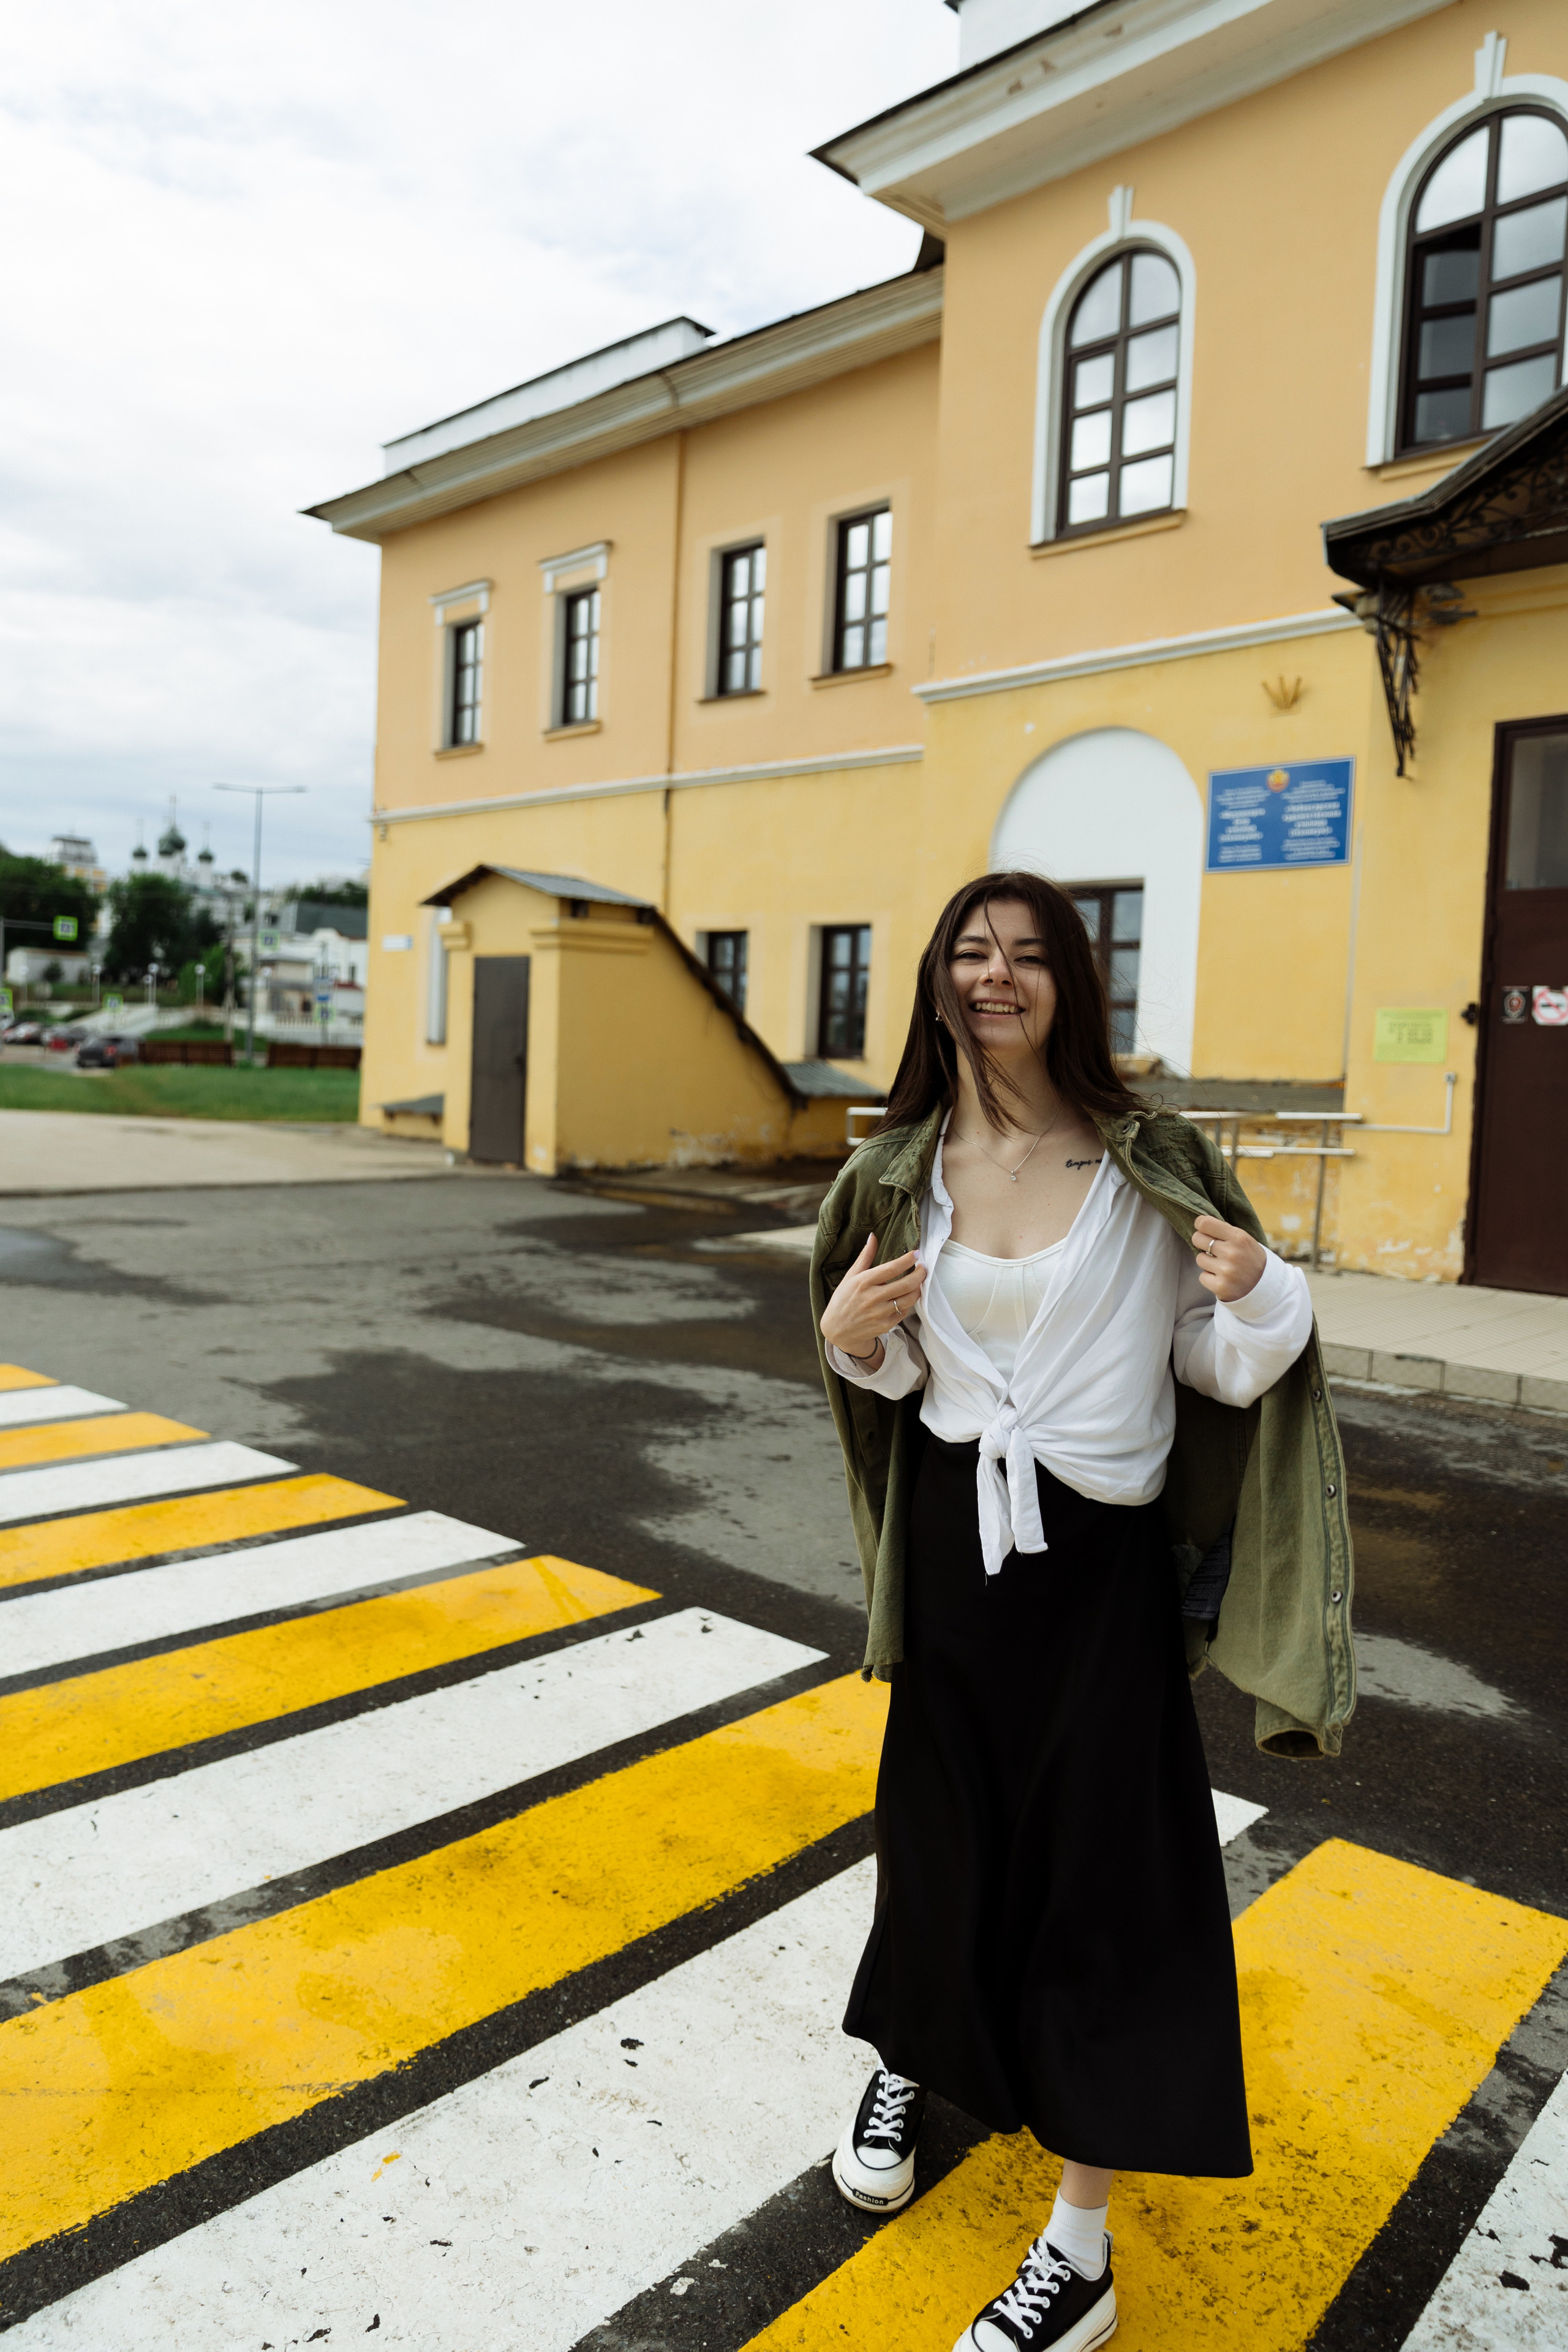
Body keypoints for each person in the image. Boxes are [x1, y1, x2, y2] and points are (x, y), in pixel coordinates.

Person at [810, 872, 1354, 2352]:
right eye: (972, 955)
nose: (998, 978)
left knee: (1109, 1884)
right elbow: (901, 1372)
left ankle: (1080, 2249)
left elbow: (1222, 1372)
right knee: (937, 1839)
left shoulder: (1142, 1162)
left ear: (1073, 984)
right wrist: (848, 1346)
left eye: (1029, 956)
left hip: (1091, 1572)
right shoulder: (903, 1165)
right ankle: (911, 2060)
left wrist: (1260, 1292)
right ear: (937, 982)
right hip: (950, 1550)